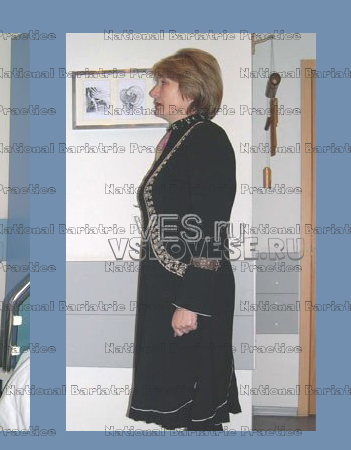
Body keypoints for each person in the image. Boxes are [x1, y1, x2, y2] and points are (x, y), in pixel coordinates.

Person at [126, 48, 242, 431]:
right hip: (171, 286)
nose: (153, 92)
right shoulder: (181, 138)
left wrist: (191, 303)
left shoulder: (207, 138)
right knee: (180, 401)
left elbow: (212, 226)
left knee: (197, 405)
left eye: (163, 83)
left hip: (192, 290)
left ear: (190, 90)